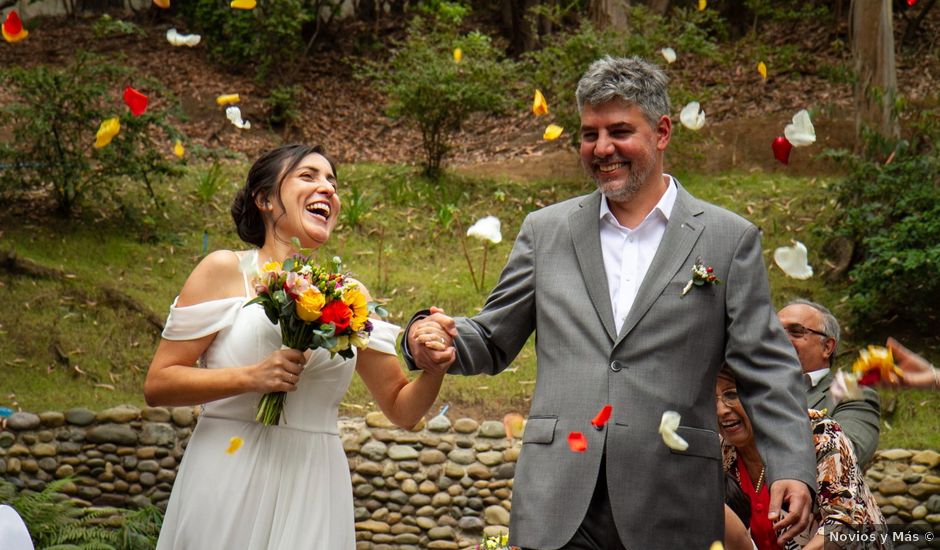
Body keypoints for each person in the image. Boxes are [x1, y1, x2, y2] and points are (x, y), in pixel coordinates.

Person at [404, 56, 816, 550]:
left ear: (662, 132)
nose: (602, 149)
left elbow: (767, 367)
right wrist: (429, 337)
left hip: (672, 501)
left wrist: (792, 464)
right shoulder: (546, 231)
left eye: (619, 131)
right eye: (588, 134)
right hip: (558, 501)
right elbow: (492, 339)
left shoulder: (728, 240)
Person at [144, 144, 444, 550]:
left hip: (314, 481)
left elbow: (401, 407)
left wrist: (435, 366)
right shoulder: (224, 270)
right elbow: (159, 383)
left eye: (332, 183)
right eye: (309, 176)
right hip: (230, 465)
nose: (328, 190)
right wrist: (251, 377)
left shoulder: (350, 297)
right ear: (265, 199)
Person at [716, 367, 890, 550]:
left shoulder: (818, 434)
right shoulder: (720, 450)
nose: (721, 410)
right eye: (710, 399)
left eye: (731, 395)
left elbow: (846, 525)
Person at [777, 300, 880, 467]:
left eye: (796, 332)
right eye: (774, 331)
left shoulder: (851, 392)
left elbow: (844, 453)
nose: (780, 338)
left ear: (827, 347)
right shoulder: (747, 385)